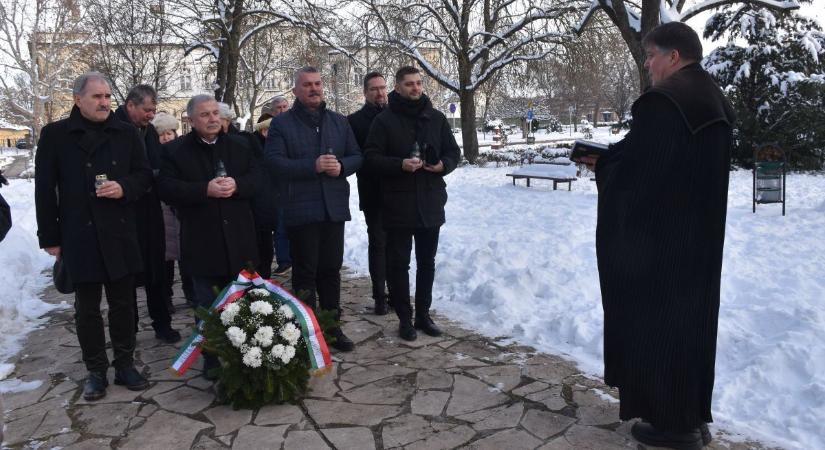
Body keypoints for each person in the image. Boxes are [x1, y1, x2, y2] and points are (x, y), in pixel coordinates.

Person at [575, 22, 734, 450]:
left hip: (660, 247)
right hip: (698, 243)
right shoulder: (711, 97)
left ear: (674, 57)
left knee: (659, 331)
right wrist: (614, 157)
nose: (646, 64)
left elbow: (639, 176)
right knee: (692, 330)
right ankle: (692, 417)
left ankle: (672, 427)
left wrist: (603, 167)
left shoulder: (664, 102)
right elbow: (658, 157)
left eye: (650, 56)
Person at [35, 72, 153, 400]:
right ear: (77, 99)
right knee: (86, 308)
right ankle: (96, 370)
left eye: (106, 96)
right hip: (79, 232)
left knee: (123, 303)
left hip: (119, 230)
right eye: (96, 97)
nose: (104, 102)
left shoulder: (126, 133)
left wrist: (124, 187)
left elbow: (144, 175)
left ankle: (125, 363)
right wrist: (50, 237)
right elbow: (44, 189)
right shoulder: (56, 135)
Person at [157, 95, 261, 379]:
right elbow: (166, 188)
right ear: (190, 120)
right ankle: (212, 357)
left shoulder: (242, 145)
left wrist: (238, 185)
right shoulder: (175, 151)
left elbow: (260, 177)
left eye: (216, 113)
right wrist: (204, 190)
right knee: (207, 305)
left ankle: (247, 354)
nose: (213, 119)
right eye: (205, 114)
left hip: (240, 239)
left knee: (245, 302)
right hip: (202, 241)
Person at [265, 66, 362, 352]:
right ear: (295, 90)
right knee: (306, 272)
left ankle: (332, 327)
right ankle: (307, 331)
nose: (314, 88)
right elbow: (273, 163)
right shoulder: (282, 124)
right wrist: (312, 166)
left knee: (331, 270)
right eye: (307, 84)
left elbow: (357, 155)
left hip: (333, 206)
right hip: (300, 208)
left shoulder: (338, 121)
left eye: (318, 83)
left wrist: (342, 166)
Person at [363, 66, 460, 341]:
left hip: (430, 201)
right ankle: (405, 318)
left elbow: (454, 152)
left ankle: (424, 314)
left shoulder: (437, 118)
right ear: (397, 87)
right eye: (409, 84)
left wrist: (444, 165)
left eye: (418, 83)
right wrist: (400, 165)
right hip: (397, 204)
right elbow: (370, 157)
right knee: (399, 264)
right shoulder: (384, 121)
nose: (415, 88)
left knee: (427, 263)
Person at [114, 85, 181, 343]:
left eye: (153, 110)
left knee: (158, 270)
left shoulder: (149, 132)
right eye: (147, 110)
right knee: (127, 275)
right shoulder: (115, 129)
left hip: (150, 209)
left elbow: (158, 163)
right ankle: (128, 328)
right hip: (125, 211)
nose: (151, 115)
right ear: (130, 105)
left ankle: (161, 323)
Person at [348, 72, 391, 315]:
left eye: (383, 88)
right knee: (378, 244)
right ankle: (379, 296)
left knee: (398, 247)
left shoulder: (396, 115)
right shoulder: (355, 121)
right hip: (373, 192)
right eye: (374, 89)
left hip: (399, 192)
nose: (380, 93)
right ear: (365, 92)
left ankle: (396, 292)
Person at [152, 112, 195, 308]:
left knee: (187, 255)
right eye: (162, 134)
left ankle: (190, 292)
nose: (166, 137)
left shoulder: (181, 153)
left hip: (181, 210)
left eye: (169, 133)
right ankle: (166, 296)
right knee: (165, 259)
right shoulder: (153, 155)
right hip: (161, 212)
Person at [267, 96, 292, 276]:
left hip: (295, 183)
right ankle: (284, 260)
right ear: (272, 111)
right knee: (280, 225)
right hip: (275, 186)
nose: (282, 110)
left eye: (285, 106)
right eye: (278, 108)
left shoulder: (294, 126)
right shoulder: (269, 129)